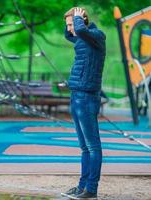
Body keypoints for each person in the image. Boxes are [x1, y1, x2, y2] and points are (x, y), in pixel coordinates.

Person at [62, 7, 106, 200]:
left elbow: (79, 30)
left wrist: (78, 18)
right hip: (77, 95)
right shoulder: (82, 39)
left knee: (93, 146)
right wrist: (71, 21)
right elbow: (70, 35)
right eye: (68, 25)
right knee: (85, 148)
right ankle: (82, 187)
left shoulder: (96, 36)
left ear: (82, 20)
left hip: (87, 97)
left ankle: (91, 189)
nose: (70, 29)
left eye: (72, 24)